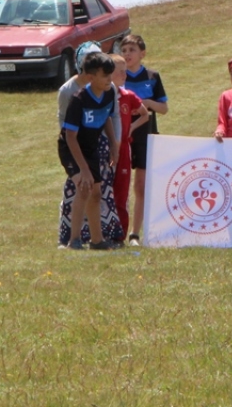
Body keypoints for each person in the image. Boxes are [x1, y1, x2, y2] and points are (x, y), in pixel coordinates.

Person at [58, 52, 119, 250]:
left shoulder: (110, 92)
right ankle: (73, 240)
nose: (110, 79)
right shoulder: (79, 99)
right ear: (91, 78)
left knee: (96, 193)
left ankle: (97, 241)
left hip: (91, 147)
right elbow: (70, 137)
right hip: (71, 147)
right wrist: (83, 169)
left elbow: (107, 116)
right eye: (105, 76)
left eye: (111, 75)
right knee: (84, 188)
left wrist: (113, 143)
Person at [120, 34, 168, 246]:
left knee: (140, 185)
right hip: (122, 135)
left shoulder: (152, 76)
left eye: (131, 50)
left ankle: (134, 234)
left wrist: (147, 102)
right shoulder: (119, 76)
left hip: (146, 135)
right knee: (118, 183)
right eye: (124, 50)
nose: (128, 54)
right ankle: (115, 228)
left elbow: (164, 108)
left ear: (142, 53)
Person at [111, 54, 150, 241]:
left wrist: (131, 128)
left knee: (122, 191)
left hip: (124, 149)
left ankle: (121, 233)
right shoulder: (102, 96)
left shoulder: (128, 96)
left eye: (125, 71)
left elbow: (145, 114)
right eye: (119, 72)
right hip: (106, 149)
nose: (124, 75)